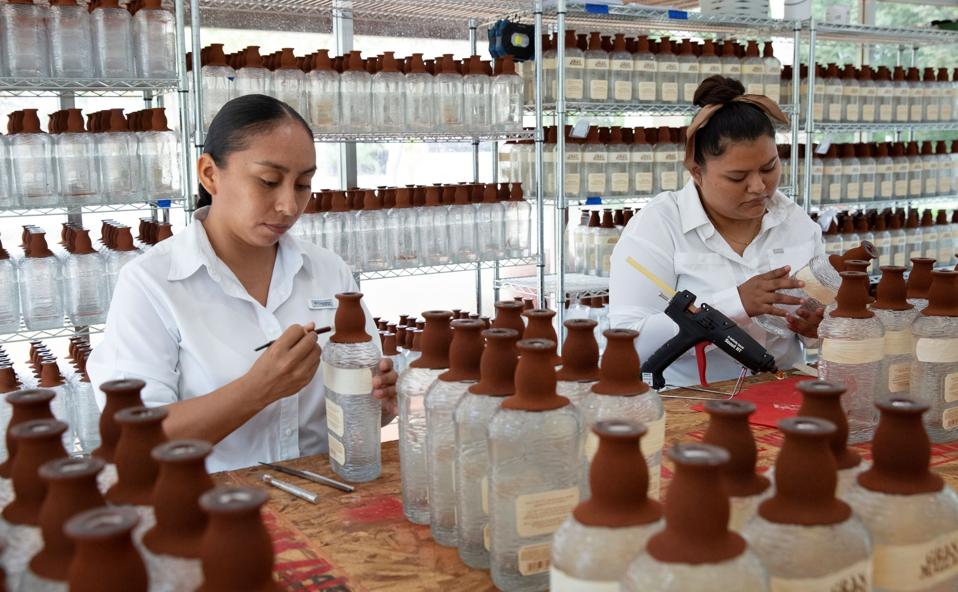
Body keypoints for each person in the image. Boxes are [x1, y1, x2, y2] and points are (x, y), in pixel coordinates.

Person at [88, 95, 398, 472]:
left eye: (302, 184)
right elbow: (133, 441)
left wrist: (379, 402)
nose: (288, 205)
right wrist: (257, 389)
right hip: (215, 509)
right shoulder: (152, 284)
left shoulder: (327, 271)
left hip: (326, 497)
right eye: (268, 181)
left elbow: (367, 403)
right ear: (209, 174)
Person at [609, 76, 823, 387]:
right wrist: (732, 305)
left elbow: (826, 324)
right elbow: (628, 347)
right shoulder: (658, 227)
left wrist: (818, 328)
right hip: (688, 402)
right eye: (738, 177)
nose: (759, 187)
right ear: (697, 172)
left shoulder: (797, 223)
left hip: (780, 393)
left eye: (769, 167)